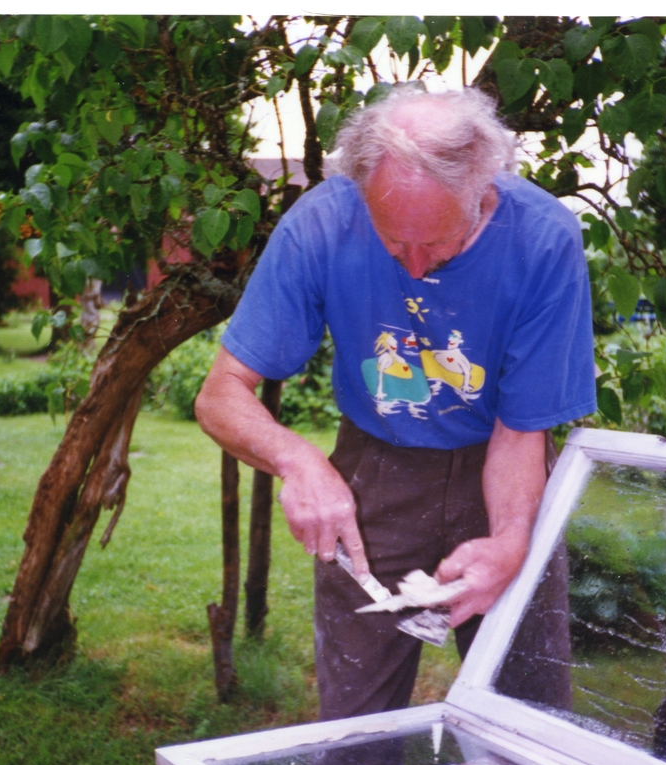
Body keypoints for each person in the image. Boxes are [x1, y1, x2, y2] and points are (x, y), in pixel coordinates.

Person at [195, 86, 595, 724]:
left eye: (437, 244)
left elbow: (521, 431)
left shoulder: (543, 241)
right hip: (373, 472)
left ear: (482, 187)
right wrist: (299, 461)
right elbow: (219, 395)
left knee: (530, 722)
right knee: (353, 735)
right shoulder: (322, 224)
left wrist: (511, 541)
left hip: (500, 461)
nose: (414, 267)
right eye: (391, 242)